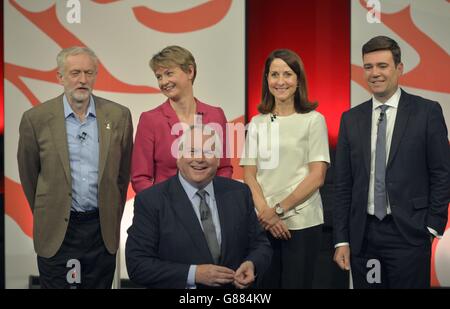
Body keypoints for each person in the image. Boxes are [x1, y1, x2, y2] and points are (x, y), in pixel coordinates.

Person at [333, 36, 450, 288]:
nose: (374, 73)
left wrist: (432, 227)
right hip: (363, 236)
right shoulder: (350, 119)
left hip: (410, 233)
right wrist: (341, 239)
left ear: (399, 68)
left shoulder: (427, 112)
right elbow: (342, 184)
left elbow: (442, 173)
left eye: (382, 66)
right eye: (368, 67)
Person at [17, 46, 133, 288]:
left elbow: (122, 176)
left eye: (89, 73)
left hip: (100, 230)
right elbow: (29, 175)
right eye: (75, 73)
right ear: (60, 77)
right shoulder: (35, 118)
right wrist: (50, 207)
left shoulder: (119, 115)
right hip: (58, 230)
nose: (83, 80)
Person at [126, 125, 272, 288]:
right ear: (179, 156)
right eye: (192, 151)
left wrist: (252, 264)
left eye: (209, 152)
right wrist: (194, 274)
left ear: (218, 160)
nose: (200, 158)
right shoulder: (152, 201)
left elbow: (260, 245)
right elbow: (137, 265)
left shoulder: (239, 193)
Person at [240, 49, 330, 288]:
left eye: (287, 74)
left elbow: (317, 176)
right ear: (266, 79)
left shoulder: (313, 120)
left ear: (298, 79)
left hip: (302, 223)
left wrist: (278, 211)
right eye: (274, 74)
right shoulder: (257, 122)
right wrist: (265, 214)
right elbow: (248, 174)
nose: (280, 81)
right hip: (263, 223)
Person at [131, 45, 232, 194]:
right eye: (159, 77)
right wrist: (160, 206)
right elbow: (140, 178)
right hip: (166, 210)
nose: (164, 82)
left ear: (190, 71)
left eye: (169, 73)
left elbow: (224, 168)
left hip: (208, 206)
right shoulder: (150, 120)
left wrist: (212, 199)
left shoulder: (216, 115)